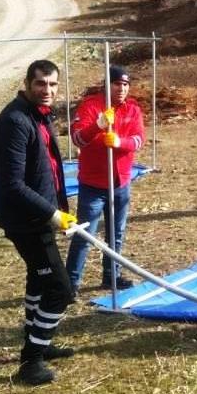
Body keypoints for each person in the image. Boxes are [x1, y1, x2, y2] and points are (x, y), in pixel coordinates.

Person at [0, 60, 77, 386]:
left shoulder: (37, 116)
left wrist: (59, 209)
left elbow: (47, 171)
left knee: (39, 281)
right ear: (27, 83)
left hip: (38, 215)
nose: (48, 91)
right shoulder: (15, 121)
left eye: (53, 85)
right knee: (60, 289)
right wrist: (52, 214)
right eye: (41, 84)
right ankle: (31, 360)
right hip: (26, 219)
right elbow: (12, 184)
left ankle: (41, 338)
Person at [65, 65, 145, 294]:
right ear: (107, 85)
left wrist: (121, 142)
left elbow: (139, 139)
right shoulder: (91, 106)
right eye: (117, 84)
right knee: (85, 234)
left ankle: (112, 276)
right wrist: (98, 126)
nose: (121, 88)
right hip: (93, 184)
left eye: (125, 84)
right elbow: (78, 138)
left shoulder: (132, 109)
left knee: (116, 233)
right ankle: (71, 284)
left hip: (121, 183)